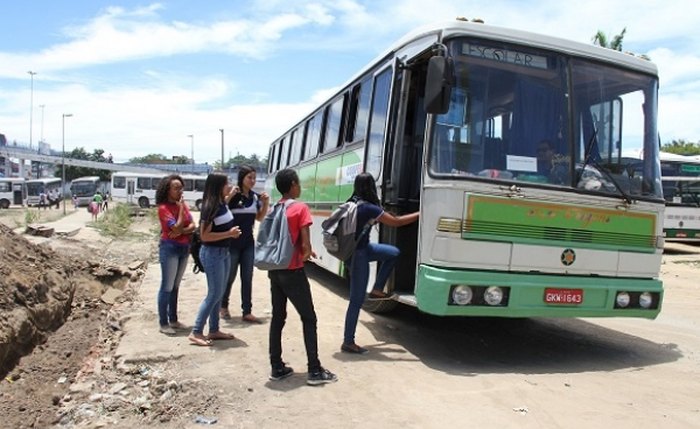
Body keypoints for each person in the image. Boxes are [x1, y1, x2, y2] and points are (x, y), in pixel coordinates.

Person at [267, 168, 337, 385]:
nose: (300, 187)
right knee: (309, 318)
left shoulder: (274, 209)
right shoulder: (300, 208)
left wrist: (303, 251)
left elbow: (281, 241)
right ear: (292, 185)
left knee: (278, 317)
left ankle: (277, 367)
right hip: (293, 272)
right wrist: (306, 254)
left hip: (275, 270)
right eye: (298, 183)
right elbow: (305, 246)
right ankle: (314, 370)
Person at [341, 172, 419, 355]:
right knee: (356, 300)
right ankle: (348, 341)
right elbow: (396, 222)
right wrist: (421, 213)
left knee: (393, 253)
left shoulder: (352, 203)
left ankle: (377, 289)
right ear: (370, 187)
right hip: (359, 255)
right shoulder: (368, 207)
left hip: (363, 249)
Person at [189, 173, 241, 346]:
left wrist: (231, 195)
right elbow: (204, 236)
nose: (229, 185)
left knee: (218, 293)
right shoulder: (210, 206)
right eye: (227, 183)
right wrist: (229, 233)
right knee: (213, 294)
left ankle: (214, 330)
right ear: (218, 186)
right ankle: (196, 331)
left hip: (223, 252)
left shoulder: (220, 203)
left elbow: (224, 206)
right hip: (212, 253)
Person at [220, 166, 270, 323]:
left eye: (254, 178)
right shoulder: (234, 196)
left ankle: (247, 311)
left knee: (247, 277)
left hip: (248, 243)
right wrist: (229, 196)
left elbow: (259, 218)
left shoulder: (255, 198)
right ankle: (223, 306)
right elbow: (220, 210)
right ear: (242, 178)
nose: (253, 181)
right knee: (230, 276)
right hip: (232, 242)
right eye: (250, 177)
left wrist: (266, 203)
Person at [156, 175, 196, 336]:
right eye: (176, 188)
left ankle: (173, 319)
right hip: (170, 248)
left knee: (175, 286)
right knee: (167, 286)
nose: (180, 191)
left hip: (183, 248)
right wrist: (180, 211)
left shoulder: (183, 205)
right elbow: (177, 225)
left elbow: (192, 225)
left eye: (181, 188)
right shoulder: (164, 208)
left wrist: (182, 231)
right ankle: (163, 322)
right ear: (168, 190)